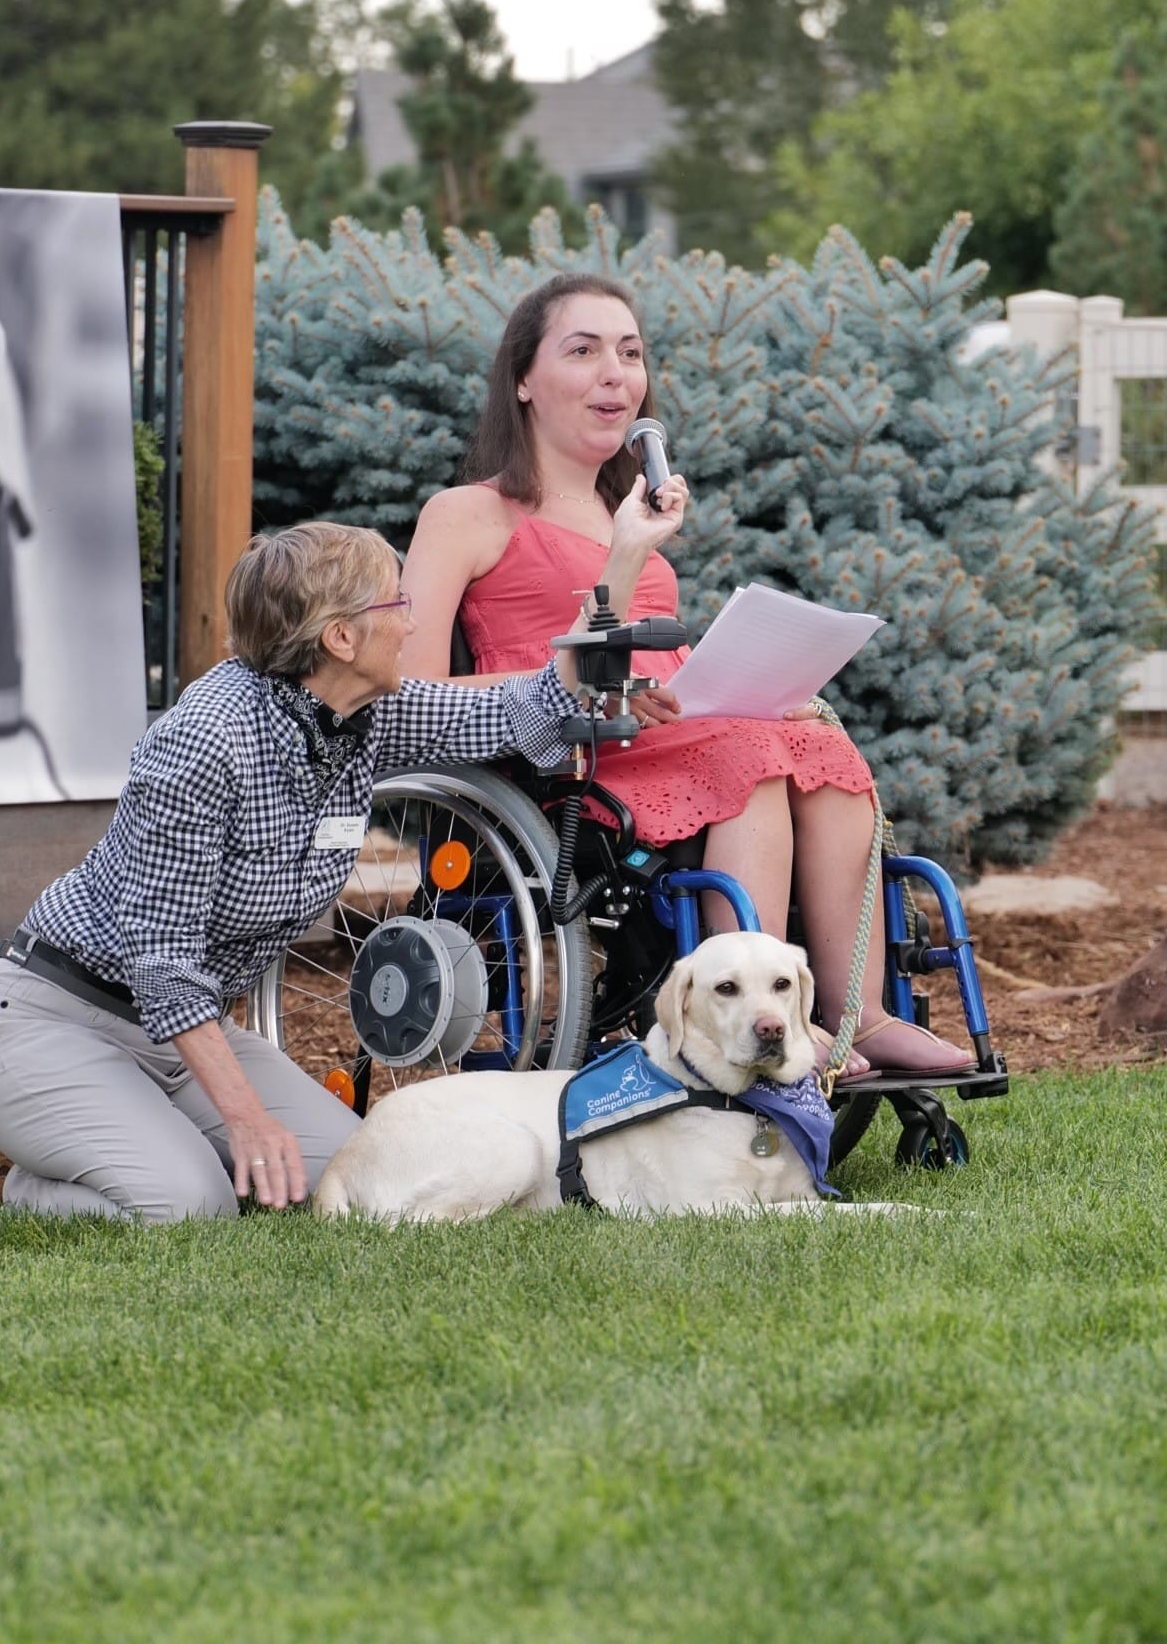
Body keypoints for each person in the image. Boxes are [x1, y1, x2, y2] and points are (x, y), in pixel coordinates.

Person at [0, 519, 619, 1222]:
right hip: (58, 1019)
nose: (411, 625)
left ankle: (132, 1135)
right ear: (340, 640)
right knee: (187, 1205)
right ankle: (5, 1180)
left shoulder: (365, 713)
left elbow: (521, 712)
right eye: (395, 606)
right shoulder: (203, 742)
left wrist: (626, 547)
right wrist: (247, 1120)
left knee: (354, 1178)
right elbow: (162, 965)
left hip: (180, 1038)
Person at [401, 272, 974, 1080]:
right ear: (523, 380)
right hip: (560, 760)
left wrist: (764, 692)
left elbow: (664, 665)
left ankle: (858, 1015)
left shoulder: (620, 514)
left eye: (630, 353)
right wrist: (620, 598)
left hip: (673, 739)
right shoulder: (467, 513)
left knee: (826, 757)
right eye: (585, 350)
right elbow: (408, 693)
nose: (616, 373)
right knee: (751, 761)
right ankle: (738, 1024)